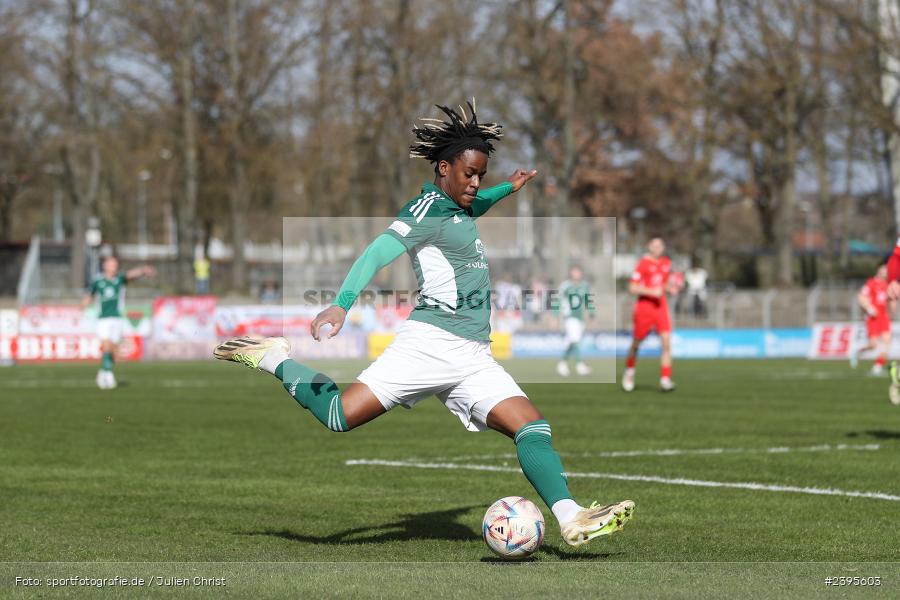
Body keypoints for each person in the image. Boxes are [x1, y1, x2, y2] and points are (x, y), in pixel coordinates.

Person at [214, 102, 634, 547]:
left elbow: (477, 205)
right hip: (429, 346)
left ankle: (572, 517)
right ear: (443, 167)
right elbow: (377, 251)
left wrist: (507, 189)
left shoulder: (459, 206)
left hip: (472, 357)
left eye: (481, 175)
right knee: (339, 416)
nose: (476, 183)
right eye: (469, 174)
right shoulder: (427, 207)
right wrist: (340, 305)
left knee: (532, 427)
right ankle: (274, 357)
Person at [81, 256, 155, 389]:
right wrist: (85, 302)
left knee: (114, 352)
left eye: (115, 264)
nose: (114, 267)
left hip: (117, 318)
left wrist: (143, 270)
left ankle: (103, 372)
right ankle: (108, 376)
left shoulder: (119, 279)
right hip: (103, 318)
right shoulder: (98, 281)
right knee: (107, 345)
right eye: (111, 264)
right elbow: (90, 294)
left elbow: (131, 275)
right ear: (105, 266)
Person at [622, 237, 679, 392]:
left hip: (661, 307)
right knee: (636, 343)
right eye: (654, 245)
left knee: (666, 343)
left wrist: (670, 288)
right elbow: (632, 287)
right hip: (644, 307)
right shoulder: (643, 264)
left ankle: (665, 379)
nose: (657, 248)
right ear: (649, 247)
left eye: (660, 245)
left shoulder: (667, 263)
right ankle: (629, 371)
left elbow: (664, 283)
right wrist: (650, 291)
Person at [851, 264, 893, 375]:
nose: (885, 272)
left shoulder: (888, 284)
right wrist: (869, 307)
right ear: (878, 270)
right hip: (873, 317)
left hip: (883, 316)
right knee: (873, 345)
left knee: (887, 342)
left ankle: (877, 366)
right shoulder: (871, 283)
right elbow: (860, 297)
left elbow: (890, 301)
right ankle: (858, 352)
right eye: (883, 270)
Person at [556, 266, 593, 377]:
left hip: (580, 318)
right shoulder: (566, 285)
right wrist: (554, 316)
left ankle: (562, 364)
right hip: (569, 317)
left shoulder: (585, 285)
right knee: (576, 340)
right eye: (574, 272)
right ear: (571, 273)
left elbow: (588, 300)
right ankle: (580, 365)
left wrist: (592, 313)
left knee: (571, 342)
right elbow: (558, 300)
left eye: (578, 272)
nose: (576, 274)